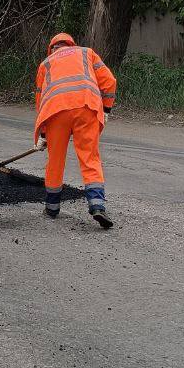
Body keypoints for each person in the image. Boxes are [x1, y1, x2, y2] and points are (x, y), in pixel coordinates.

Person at [34, 32, 117, 227]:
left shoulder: (45, 64)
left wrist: (44, 133)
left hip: (55, 113)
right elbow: (110, 81)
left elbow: (41, 100)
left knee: (55, 160)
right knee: (90, 157)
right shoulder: (86, 53)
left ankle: (52, 207)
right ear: (72, 45)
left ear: (52, 49)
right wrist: (106, 108)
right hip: (86, 107)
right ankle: (97, 205)